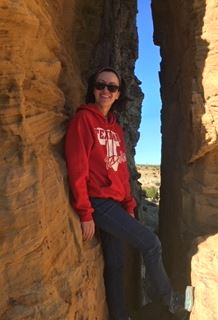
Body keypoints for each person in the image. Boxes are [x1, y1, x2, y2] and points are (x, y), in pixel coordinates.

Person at [65, 67, 193, 320]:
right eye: (101, 85)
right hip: (99, 203)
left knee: (116, 264)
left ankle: (120, 316)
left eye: (111, 87)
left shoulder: (115, 127)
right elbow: (77, 168)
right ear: (93, 88)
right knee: (151, 243)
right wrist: (85, 212)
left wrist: (129, 204)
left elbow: (122, 169)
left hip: (115, 203)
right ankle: (171, 301)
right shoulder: (84, 120)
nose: (105, 91)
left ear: (118, 94)